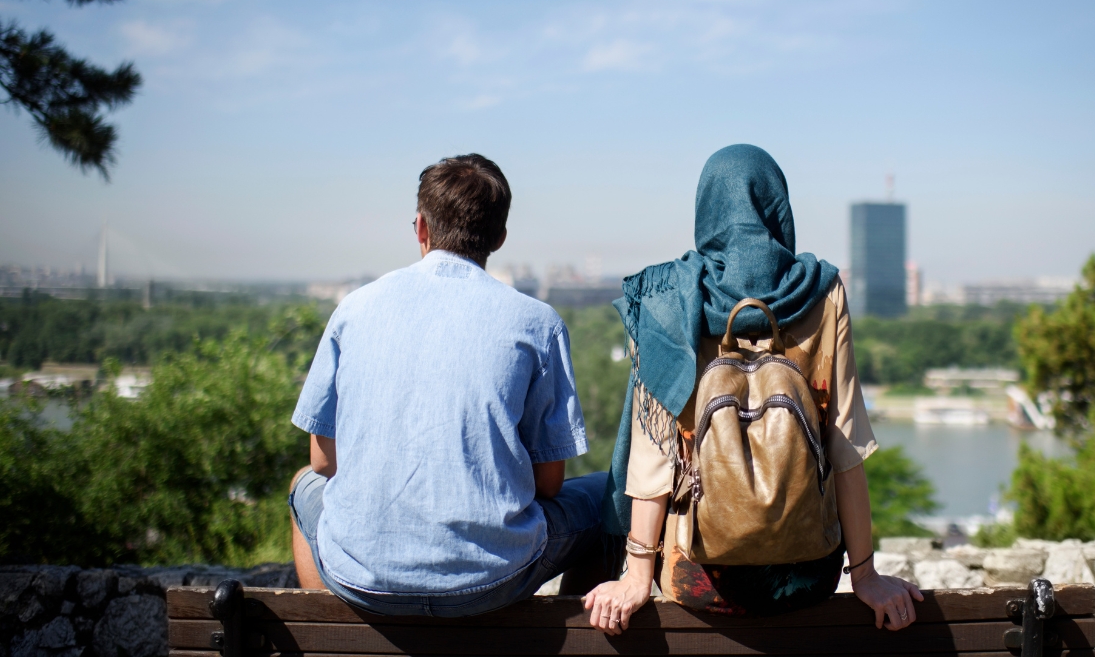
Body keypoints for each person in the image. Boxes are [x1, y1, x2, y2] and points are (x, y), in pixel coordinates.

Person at [583, 144, 924, 633]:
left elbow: (652, 455)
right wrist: (865, 577)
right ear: (777, 209)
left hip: (695, 580)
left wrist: (637, 576)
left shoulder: (667, 299)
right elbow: (845, 445)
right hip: (807, 574)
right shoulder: (823, 291)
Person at [288, 154, 612, 616]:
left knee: (303, 483)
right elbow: (549, 483)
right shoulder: (537, 322)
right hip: (493, 579)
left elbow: (322, 461)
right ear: (499, 237)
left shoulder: (354, 309)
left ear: (420, 228)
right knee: (609, 493)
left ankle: (328, 630)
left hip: (361, 579)